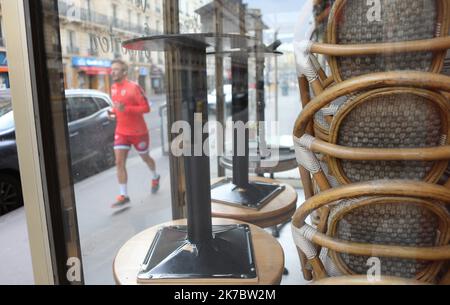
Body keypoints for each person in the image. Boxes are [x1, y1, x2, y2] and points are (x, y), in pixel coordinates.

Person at [108, 59, 160, 208]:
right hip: (121, 132)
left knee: (145, 158)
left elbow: (146, 108)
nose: (113, 72)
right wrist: (112, 113)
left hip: (138, 132)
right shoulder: (113, 88)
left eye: (117, 69)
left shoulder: (134, 87)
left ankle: (155, 176)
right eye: (112, 69)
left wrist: (127, 109)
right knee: (119, 162)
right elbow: (118, 108)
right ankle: (123, 195)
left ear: (124, 72)